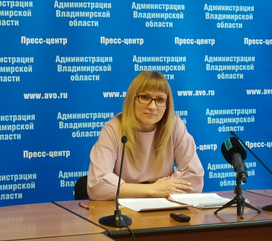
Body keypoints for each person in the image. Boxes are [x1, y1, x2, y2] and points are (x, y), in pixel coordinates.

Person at [87, 71, 204, 200]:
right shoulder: (113, 129)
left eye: (160, 100)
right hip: (125, 208)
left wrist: (163, 189)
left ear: (167, 104)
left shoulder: (175, 126)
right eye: (145, 97)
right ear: (132, 99)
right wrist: (153, 190)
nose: (152, 106)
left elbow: (194, 178)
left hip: (164, 206)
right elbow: (97, 185)